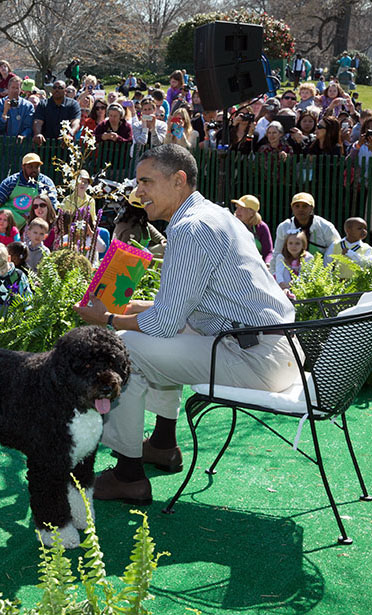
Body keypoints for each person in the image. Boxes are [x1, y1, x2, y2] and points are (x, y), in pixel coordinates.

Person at [73, 144, 298, 503]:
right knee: (172, 330)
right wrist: (129, 305)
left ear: (179, 180)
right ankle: (162, 444)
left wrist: (109, 318)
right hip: (273, 350)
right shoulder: (214, 215)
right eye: (137, 182)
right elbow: (179, 308)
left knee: (123, 348)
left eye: (146, 181)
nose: (138, 191)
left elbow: (163, 322)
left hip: (257, 359)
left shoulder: (191, 229)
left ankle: (128, 475)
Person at [0, 153, 57, 224]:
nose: (34, 170)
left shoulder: (45, 183)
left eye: (37, 167)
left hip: (33, 218)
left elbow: (52, 205)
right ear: (23, 167)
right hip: (10, 216)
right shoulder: (11, 181)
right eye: (30, 167)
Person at [272, 192, 341, 256]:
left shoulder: (325, 227)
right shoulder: (284, 227)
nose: (300, 209)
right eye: (297, 206)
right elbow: (277, 252)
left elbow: (337, 248)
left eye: (305, 206)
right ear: (292, 208)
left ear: (311, 208)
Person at [0, 243, 31, 320]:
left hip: (14, 312)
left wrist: (29, 314)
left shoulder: (19, 275)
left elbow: (27, 295)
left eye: (2, 267)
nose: (0, 271)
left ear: (9, 259)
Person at [32, 80, 81, 144]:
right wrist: (38, 134)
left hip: (65, 145)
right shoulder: (43, 104)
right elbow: (37, 121)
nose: (57, 90)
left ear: (65, 91)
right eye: (54, 87)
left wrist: (70, 134)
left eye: (60, 88)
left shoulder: (73, 104)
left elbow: (76, 122)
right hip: (45, 145)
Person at [231, 195, 273, 264]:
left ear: (252, 212)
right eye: (237, 207)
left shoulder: (262, 227)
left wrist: (267, 263)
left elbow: (268, 252)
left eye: (242, 208)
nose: (237, 211)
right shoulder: (232, 224)